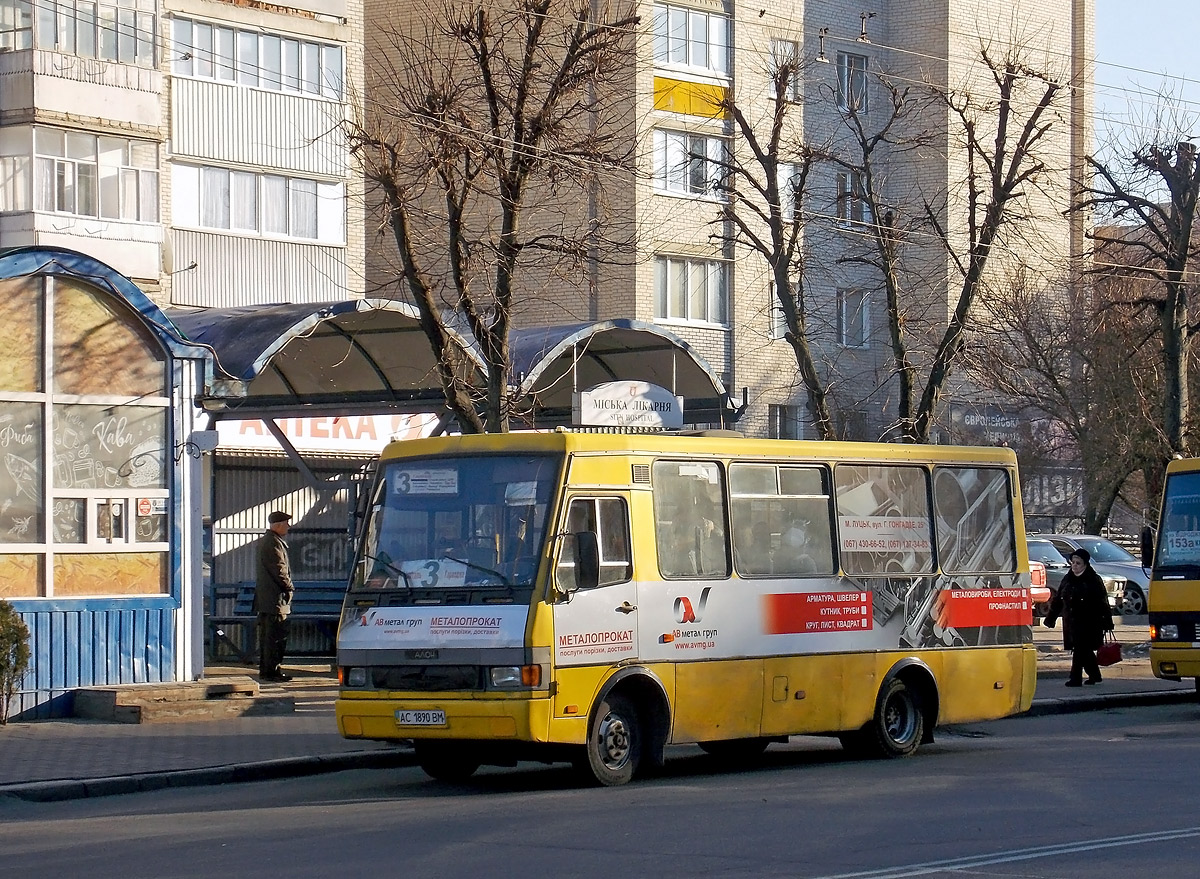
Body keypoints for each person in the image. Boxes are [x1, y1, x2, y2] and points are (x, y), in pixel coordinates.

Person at [1043, 547, 1114, 686]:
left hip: (1089, 622)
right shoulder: (1068, 579)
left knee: (1080, 650)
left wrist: (1107, 623)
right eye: (1073, 562)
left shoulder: (1093, 580)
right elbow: (1059, 599)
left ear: (1085, 564)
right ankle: (1095, 675)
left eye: (1078, 563)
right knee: (1083, 650)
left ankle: (1075, 678)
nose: (1074, 566)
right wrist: (1050, 618)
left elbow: (1102, 602)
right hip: (1071, 622)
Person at [255, 510, 295, 682]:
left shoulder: (268, 541)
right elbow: (280, 570)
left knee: (268, 638)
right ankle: (272, 671)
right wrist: (289, 587)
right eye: (286, 523)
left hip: (267, 600)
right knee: (275, 637)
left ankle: (267, 670)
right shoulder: (273, 544)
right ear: (278, 525)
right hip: (275, 600)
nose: (288, 526)